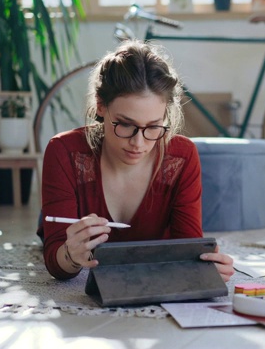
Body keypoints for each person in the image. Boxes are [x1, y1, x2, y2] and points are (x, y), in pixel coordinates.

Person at [37, 39, 235, 281]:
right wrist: (69, 255)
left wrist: (205, 265)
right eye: (126, 124)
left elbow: (189, 247)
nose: (138, 143)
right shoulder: (65, 151)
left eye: (153, 127)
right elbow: (56, 266)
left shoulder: (181, 157)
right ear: (100, 105)